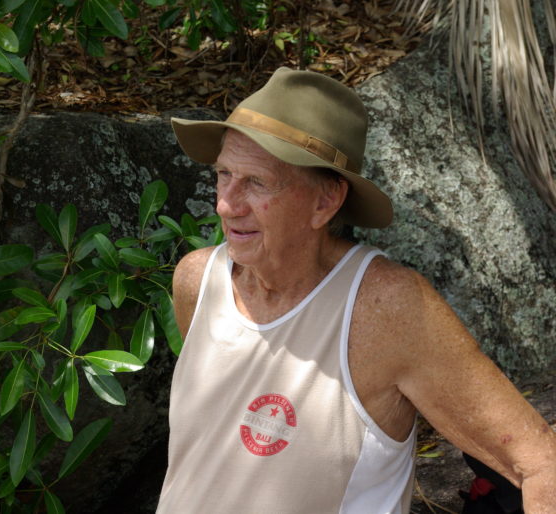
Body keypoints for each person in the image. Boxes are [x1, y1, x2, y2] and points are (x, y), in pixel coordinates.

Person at [156, 67, 556, 513]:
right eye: (224, 174)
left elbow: (541, 463)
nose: (226, 204)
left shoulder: (385, 308)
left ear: (325, 202)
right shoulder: (196, 280)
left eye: (256, 182)